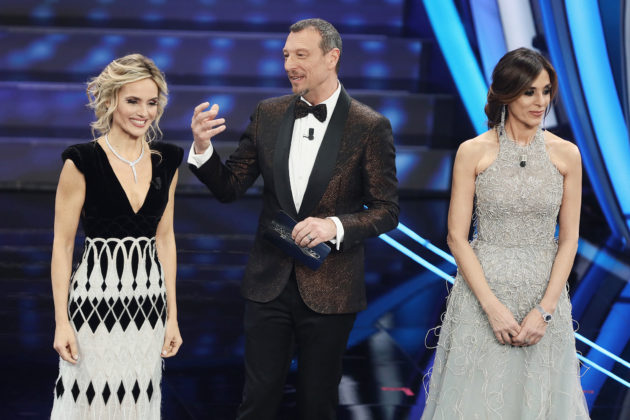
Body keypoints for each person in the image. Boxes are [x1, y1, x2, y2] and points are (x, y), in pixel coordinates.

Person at [188, 18, 398, 420]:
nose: (289, 64)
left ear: (332, 57)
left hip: (331, 287)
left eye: (301, 54)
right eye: (286, 55)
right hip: (269, 283)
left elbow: (386, 210)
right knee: (257, 401)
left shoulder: (369, 126)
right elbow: (230, 187)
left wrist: (333, 226)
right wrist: (202, 149)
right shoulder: (268, 114)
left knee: (317, 404)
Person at [421, 47, 589, 419]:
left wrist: (545, 311)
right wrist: (492, 308)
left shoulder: (567, 155)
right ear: (506, 93)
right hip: (482, 295)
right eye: (529, 92)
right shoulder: (473, 151)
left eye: (546, 91)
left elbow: (569, 239)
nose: (540, 102)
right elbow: (456, 237)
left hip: (542, 294)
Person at [50, 54, 183, 419]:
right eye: (133, 101)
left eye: (152, 102)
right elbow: (63, 246)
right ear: (110, 100)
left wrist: (172, 315)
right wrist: (61, 321)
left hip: (148, 307)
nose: (144, 112)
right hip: (94, 303)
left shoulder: (167, 161)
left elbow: (165, 240)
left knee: (138, 403)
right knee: (86, 402)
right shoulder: (81, 161)